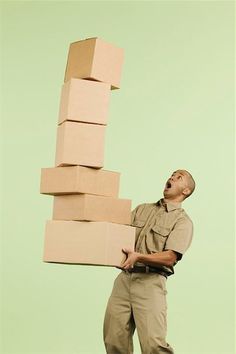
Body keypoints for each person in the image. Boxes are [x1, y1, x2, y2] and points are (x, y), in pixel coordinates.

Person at [103, 169, 195, 354]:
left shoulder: (183, 221)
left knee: (154, 345)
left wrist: (140, 256)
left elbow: (170, 257)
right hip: (124, 280)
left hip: (151, 282)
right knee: (114, 340)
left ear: (186, 191)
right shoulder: (142, 209)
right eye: (172, 174)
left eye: (179, 177)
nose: (171, 178)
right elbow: (117, 233)